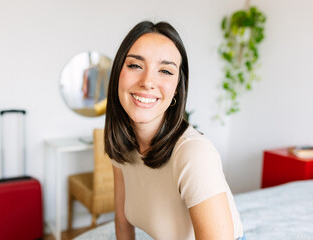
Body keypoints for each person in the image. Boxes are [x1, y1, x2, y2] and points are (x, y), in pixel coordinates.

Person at [104, 21, 244, 240]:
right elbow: (123, 222)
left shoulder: (194, 154)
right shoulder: (121, 143)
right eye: (135, 65)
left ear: (177, 88)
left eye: (165, 71)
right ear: (117, 74)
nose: (148, 82)